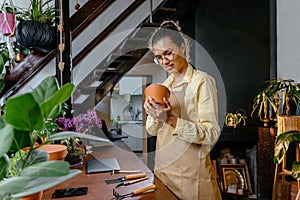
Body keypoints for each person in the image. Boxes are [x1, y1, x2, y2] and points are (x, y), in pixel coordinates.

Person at [144, 20, 222, 199]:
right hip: (164, 173)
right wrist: (153, 114)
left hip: (193, 178)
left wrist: (170, 119)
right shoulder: (163, 86)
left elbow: (211, 133)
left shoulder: (202, 82)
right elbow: (152, 130)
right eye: (159, 57)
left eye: (168, 53)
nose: (164, 61)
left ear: (182, 47)